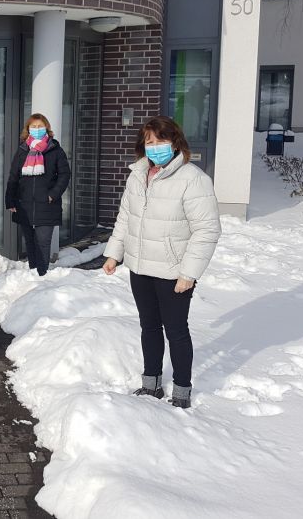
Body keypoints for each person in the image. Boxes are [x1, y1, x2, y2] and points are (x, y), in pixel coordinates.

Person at [102, 116, 221, 408]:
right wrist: (114, 253)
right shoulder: (137, 175)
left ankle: (181, 391)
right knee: (149, 327)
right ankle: (151, 384)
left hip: (173, 272)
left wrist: (188, 273)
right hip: (140, 267)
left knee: (176, 331)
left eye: (161, 141)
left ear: (175, 142)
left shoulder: (193, 179)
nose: (155, 147)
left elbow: (207, 230)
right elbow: (126, 218)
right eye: (149, 142)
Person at [5, 113, 71, 276]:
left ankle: (42, 275)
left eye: (39, 126)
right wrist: (10, 200)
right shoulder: (22, 150)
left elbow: (65, 174)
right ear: (27, 130)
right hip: (24, 204)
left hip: (47, 204)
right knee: (30, 242)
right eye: (33, 127)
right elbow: (14, 176)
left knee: (43, 242)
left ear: (46, 128)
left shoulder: (55, 150)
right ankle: (33, 274)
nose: (36, 129)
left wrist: (52, 195)